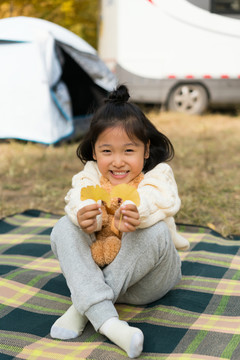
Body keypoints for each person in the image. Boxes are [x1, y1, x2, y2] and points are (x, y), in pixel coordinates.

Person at [50, 85, 189, 358]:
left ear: (146, 150)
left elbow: (160, 199)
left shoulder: (158, 174)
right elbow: (78, 197)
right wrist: (84, 214)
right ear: (94, 151)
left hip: (147, 282)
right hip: (99, 274)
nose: (117, 162)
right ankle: (110, 324)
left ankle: (82, 308)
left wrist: (137, 211)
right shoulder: (89, 175)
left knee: (155, 230)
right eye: (107, 151)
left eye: (128, 150)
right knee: (63, 227)